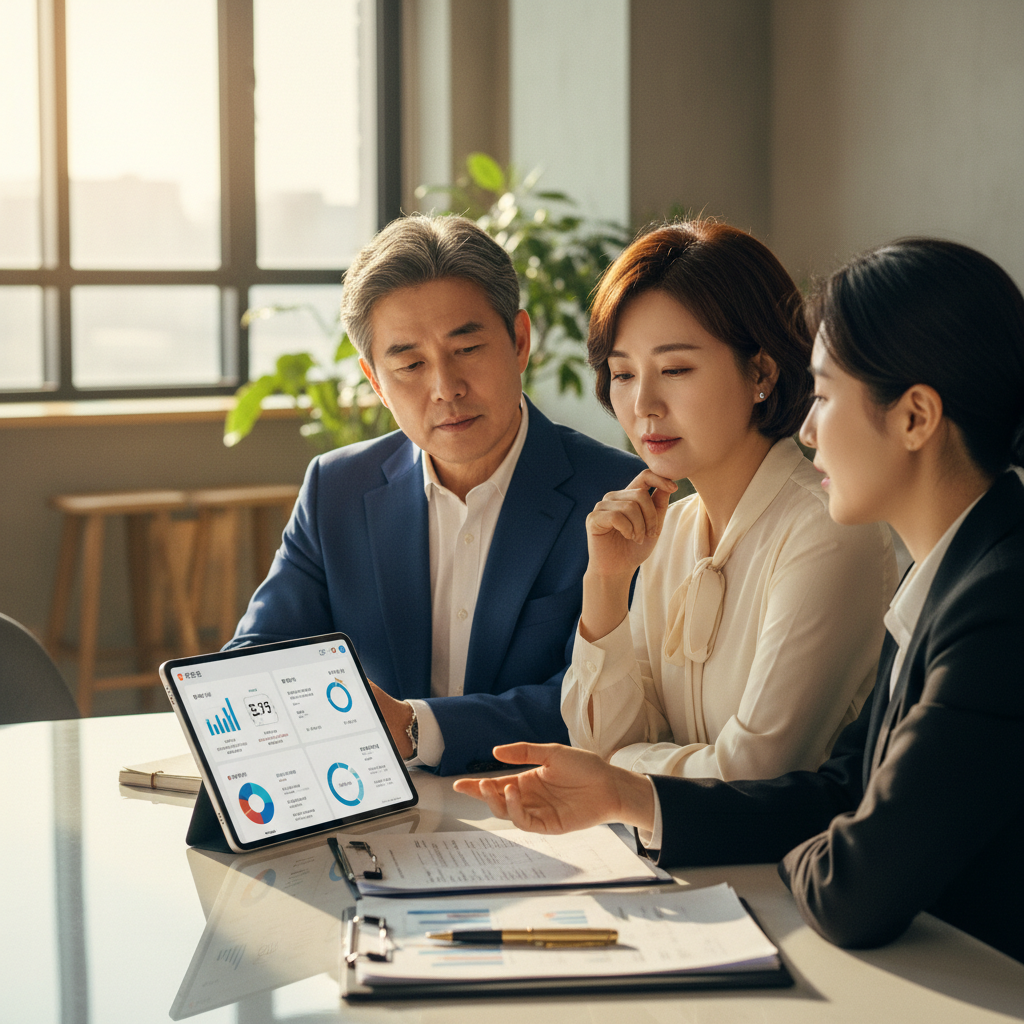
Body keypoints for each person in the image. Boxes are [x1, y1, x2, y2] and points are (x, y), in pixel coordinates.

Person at [455, 237, 1024, 963]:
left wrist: (650, 784)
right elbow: (835, 793)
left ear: (914, 418)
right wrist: (630, 788)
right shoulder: (945, 577)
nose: (810, 431)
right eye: (622, 374)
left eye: (823, 397)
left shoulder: (992, 600)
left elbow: (844, 864)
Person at [227, 214, 642, 775]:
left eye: (467, 349)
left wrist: (416, 727)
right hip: (375, 812)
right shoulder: (336, 490)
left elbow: (605, 700)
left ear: (519, 341)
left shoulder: (616, 494)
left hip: (546, 813)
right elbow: (258, 660)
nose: (445, 389)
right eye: (410, 364)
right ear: (375, 380)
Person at [562, 220, 895, 780]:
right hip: (674, 863)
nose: (643, 403)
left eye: (675, 369)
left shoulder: (826, 528)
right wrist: (607, 582)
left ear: (761, 370)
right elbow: (597, 746)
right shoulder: (667, 532)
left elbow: (754, 771)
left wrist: (621, 769)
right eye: (622, 373)